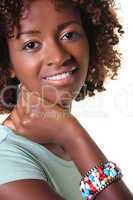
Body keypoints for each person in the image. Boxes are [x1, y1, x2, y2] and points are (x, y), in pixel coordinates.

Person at [0, 0, 132, 199]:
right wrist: (72, 135)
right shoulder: (5, 160)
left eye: (69, 35)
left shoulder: (65, 143)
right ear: (7, 62)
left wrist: (68, 134)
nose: (58, 56)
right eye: (31, 44)